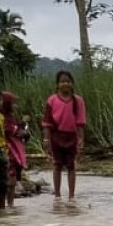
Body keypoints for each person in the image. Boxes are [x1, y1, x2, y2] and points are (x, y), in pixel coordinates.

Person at [42, 70, 86, 199]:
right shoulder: (52, 100)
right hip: (56, 136)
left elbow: (80, 122)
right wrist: (46, 139)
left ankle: (71, 196)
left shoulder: (78, 101)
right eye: (62, 81)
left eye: (68, 81)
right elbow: (47, 122)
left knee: (71, 165)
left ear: (72, 84)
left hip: (72, 136)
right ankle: (57, 194)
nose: (65, 84)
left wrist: (81, 139)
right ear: (57, 84)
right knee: (57, 165)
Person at [2, 91, 30, 207]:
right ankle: (5, 204)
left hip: (13, 153)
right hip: (7, 152)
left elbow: (16, 129)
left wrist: (23, 125)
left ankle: (10, 204)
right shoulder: (2, 118)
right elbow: (10, 130)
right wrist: (21, 129)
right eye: (13, 103)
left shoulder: (10, 118)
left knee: (12, 181)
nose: (15, 106)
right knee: (8, 180)